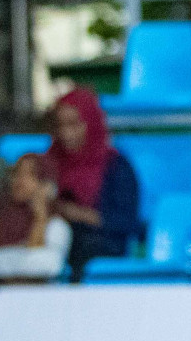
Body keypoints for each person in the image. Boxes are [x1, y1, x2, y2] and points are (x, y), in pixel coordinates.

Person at [44, 88, 140, 278]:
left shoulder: (116, 167)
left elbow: (125, 223)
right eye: (60, 126)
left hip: (98, 246)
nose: (66, 134)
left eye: (74, 124)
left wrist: (76, 214)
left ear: (91, 122)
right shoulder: (48, 164)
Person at [0, 153, 72, 279]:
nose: (21, 180)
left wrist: (40, 217)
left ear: (46, 185)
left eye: (31, 175)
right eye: (17, 173)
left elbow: (42, 266)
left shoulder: (57, 226)